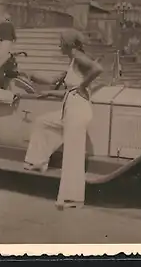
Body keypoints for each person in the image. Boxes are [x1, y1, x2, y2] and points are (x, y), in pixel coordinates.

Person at [22, 28, 103, 210]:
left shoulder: (78, 56)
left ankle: (72, 199)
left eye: (60, 41)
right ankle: (38, 162)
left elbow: (98, 69)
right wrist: (48, 90)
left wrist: (83, 85)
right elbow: (64, 87)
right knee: (42, 122)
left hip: (78, 110)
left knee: (72, 155)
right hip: (71, 107)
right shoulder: (73, 60)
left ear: (68, 43)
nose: (59, 44)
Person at [0, 13, 17, 89]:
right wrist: (14, 38)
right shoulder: (11, 25)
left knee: (3, 53)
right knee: (7, 52)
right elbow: (13, 34)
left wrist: (1, 36)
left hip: (3, 41)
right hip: (9, 41)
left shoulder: (1, 25)